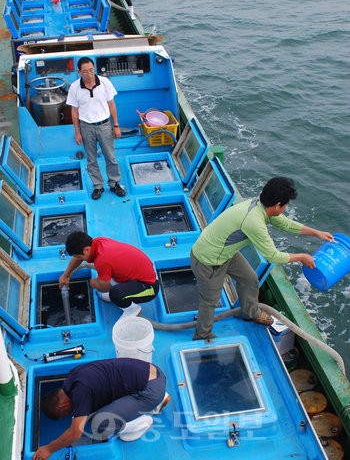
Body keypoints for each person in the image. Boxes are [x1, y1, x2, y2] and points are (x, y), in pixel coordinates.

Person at [191, 177, 334, 341]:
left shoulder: (261, 205)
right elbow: (272, 255)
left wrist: (317, 233)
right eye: (286, 204)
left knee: (250, 279)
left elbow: (286, 224)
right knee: (210, 301)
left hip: (225, 252)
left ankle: (250, 312)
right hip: (208, 259)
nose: (286, 208)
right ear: (278, 205)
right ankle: (203, 335)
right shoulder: (254, 220)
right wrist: (301, 257)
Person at [32, 358, 171, 460]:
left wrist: (49, 448)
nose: (68, 416)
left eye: (63, 414)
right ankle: (156, 401)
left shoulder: (80, 392)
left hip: (151, 390)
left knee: (100, 422)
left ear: (62, 406)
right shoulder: (72, 377)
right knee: (97, 405)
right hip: (151, 371)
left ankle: (141, 422)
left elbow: (75, 433)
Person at [59, 231, 160, 318]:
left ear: (86, 249)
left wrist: (96, 284)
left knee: (114, 293)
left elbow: (104, 288)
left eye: (80, 256)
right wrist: (65, 275)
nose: (80, 259)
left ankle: (132, 309)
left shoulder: (102, 261)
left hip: (149, 287)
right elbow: (77, 259)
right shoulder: (98, 241)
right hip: (140, 274)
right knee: (108, 275)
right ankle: (123, 295)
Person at [66, 57, 126, 200]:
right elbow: (74, 111)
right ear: (79, 71)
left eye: (91, 70)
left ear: (95, 68)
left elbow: (112, 105)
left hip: (105, 125)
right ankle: (98, 186)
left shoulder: (105, 83)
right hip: (86, 127)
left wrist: (116, 125)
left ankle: (114, 183)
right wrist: (77, 132)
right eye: (85, 71)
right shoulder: (74, 87)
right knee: (91, 159)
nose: (89, 74)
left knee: (110, 157)